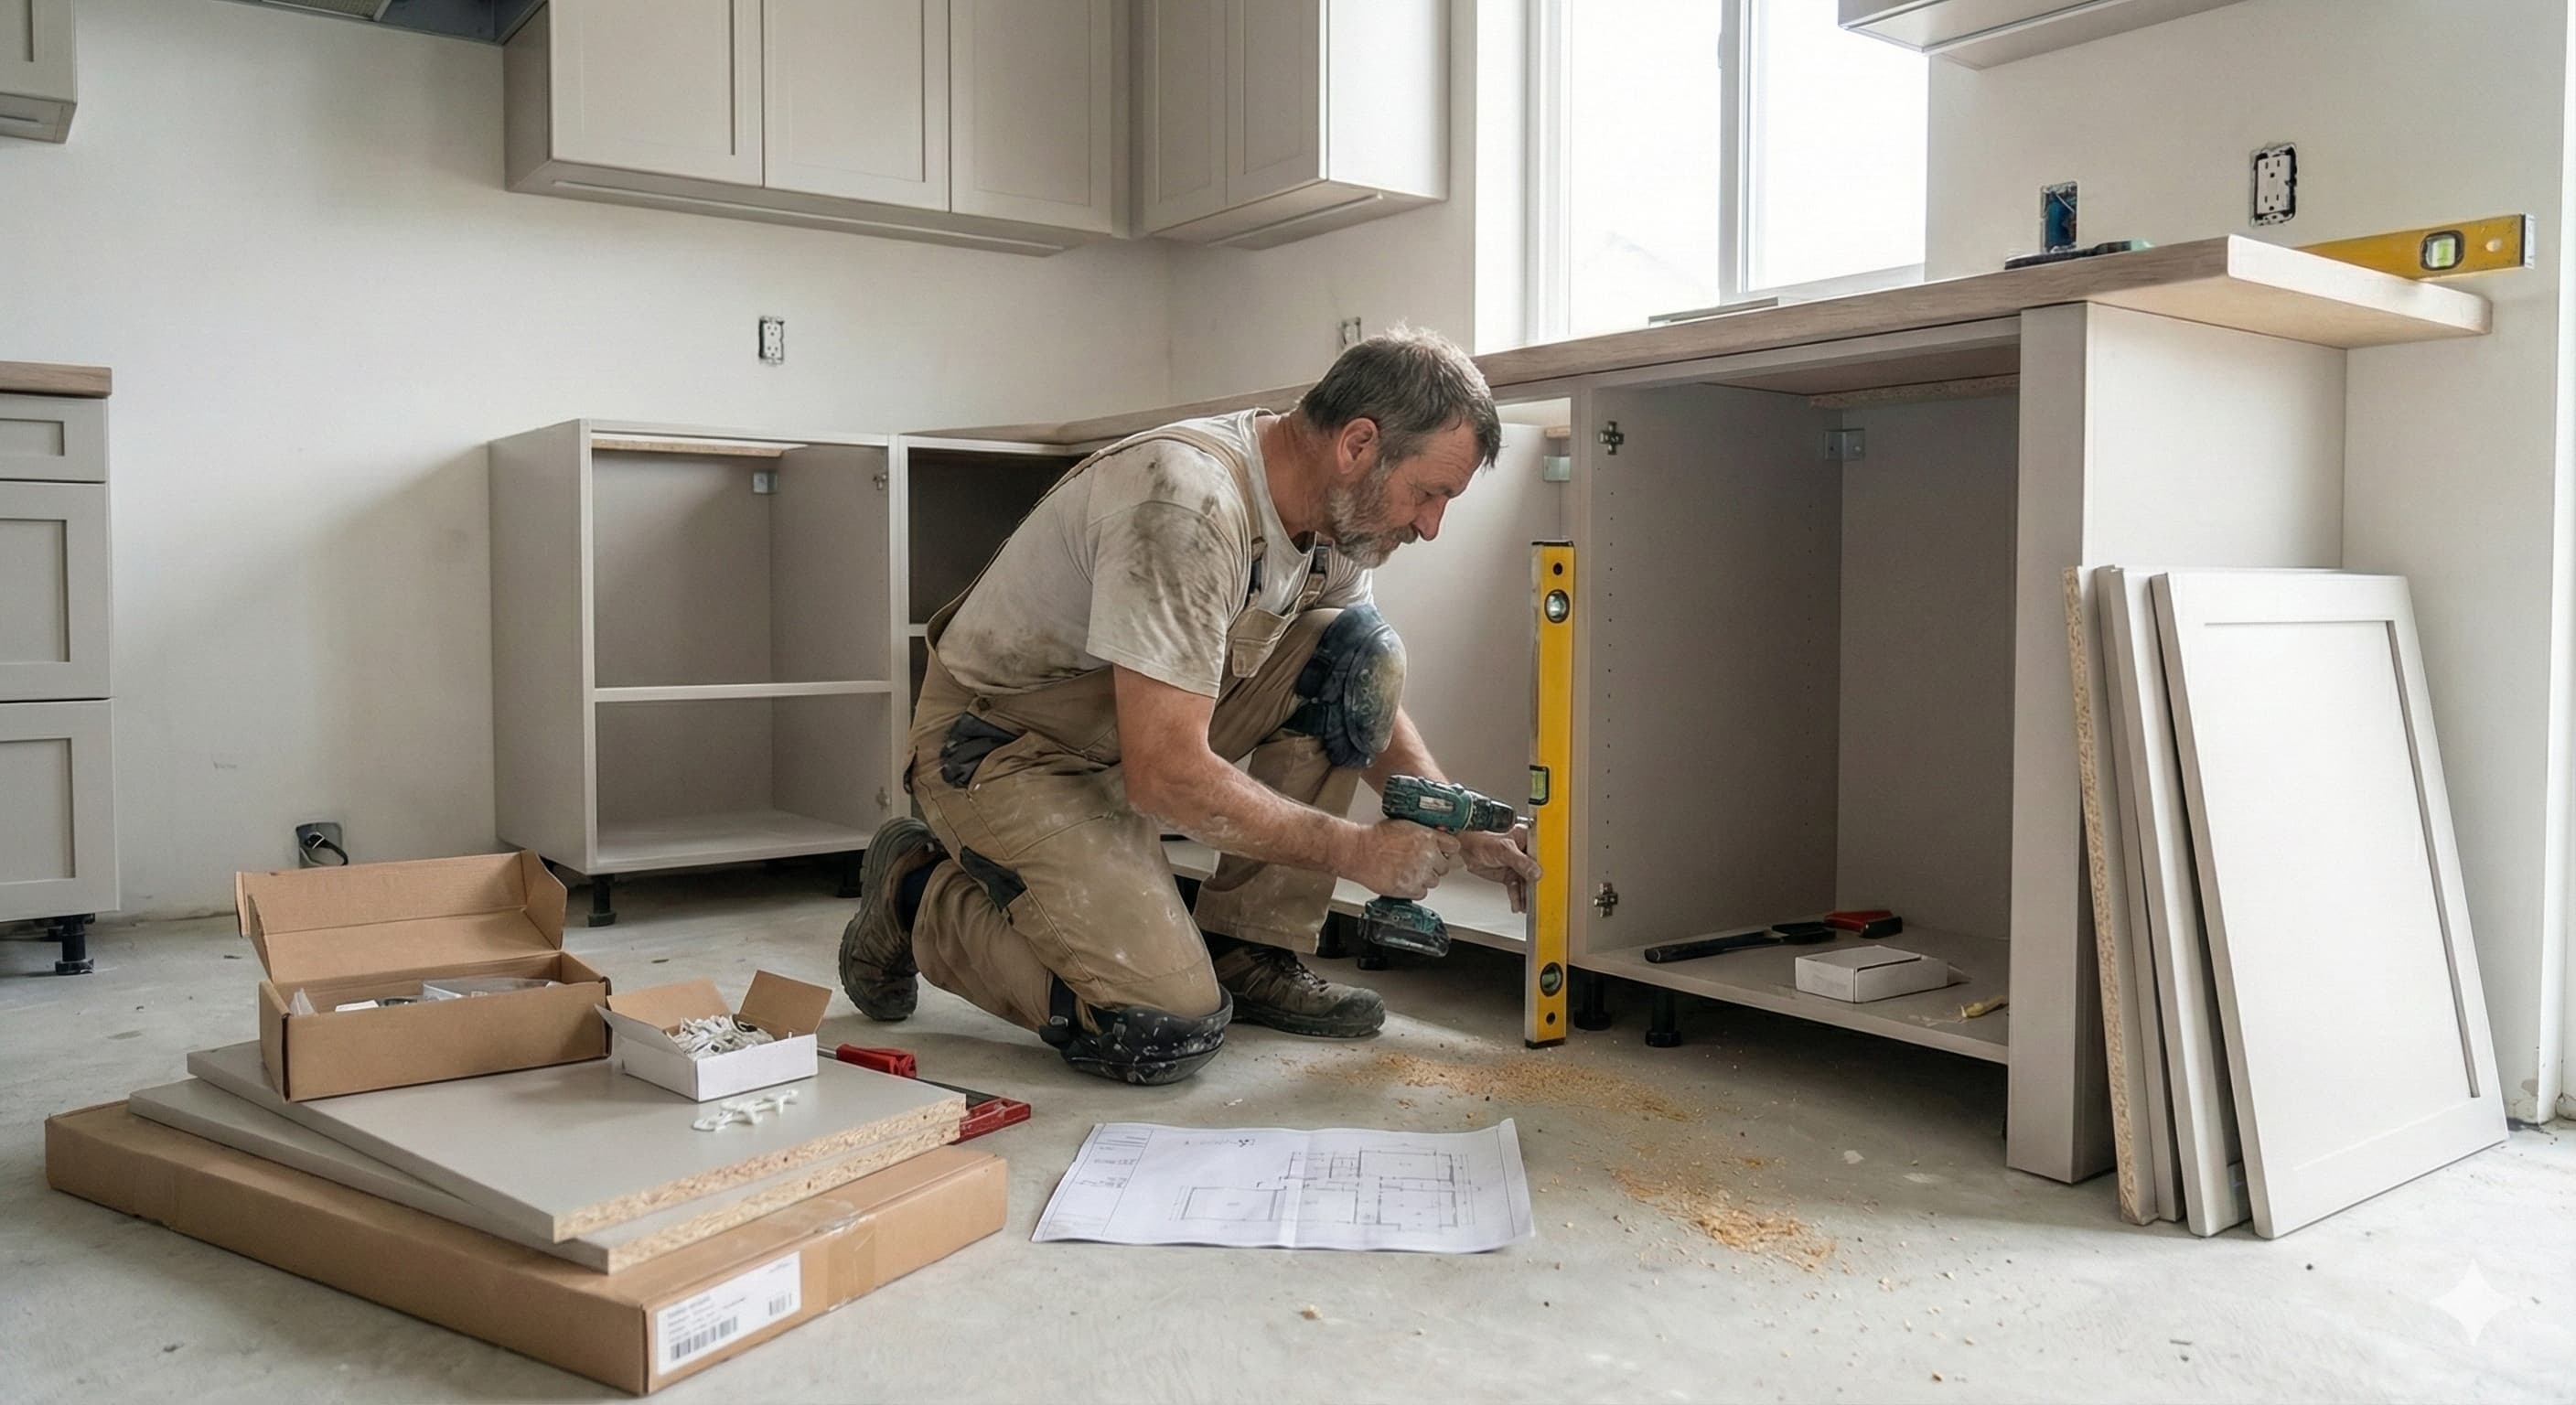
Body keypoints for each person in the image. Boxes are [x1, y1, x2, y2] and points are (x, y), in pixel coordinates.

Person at [838, 327, 1540, 1083]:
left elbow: (1355, 693)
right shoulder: (1188, 505)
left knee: (1360, 650)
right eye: (1430, 494)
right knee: (1157, 1028)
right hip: (1006, 748)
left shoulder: (1333, 523)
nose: (1430, 525)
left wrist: (1454, 821)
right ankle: (915, 892)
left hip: (1130, 733)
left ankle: (1250, 950)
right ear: (1358, 445)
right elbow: (1167, 774)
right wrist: (1358, 853)